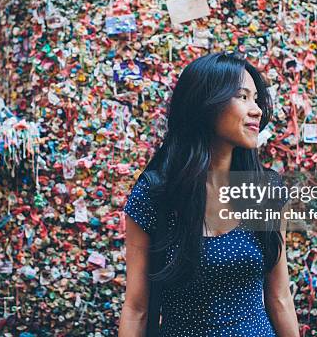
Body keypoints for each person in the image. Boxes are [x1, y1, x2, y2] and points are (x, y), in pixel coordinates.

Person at [119, 52, 299, 336]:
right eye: (243, 97)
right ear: (205, 104)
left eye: (256, 99)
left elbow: (280, 299)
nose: (257, 110)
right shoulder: (155, 194)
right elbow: (136, 308)